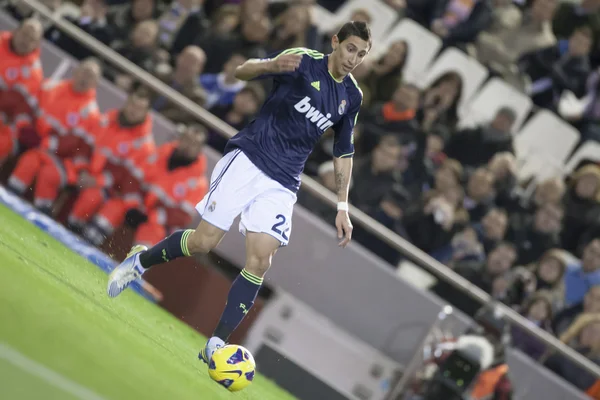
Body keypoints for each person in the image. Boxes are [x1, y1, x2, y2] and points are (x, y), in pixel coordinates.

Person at [107, 21, 371, 363]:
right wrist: (270, 66)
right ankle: (139, 262)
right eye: (350, 49)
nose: (354, 59)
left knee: (261, 260)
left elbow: (343, 151)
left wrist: (342, 205)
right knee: (205, 242)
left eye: (362, 55)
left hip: (284, 181)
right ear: (336, 42)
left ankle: (215, 344)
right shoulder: (303, 60)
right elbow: (242, 73)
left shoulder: (352, 96)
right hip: (249, 157)